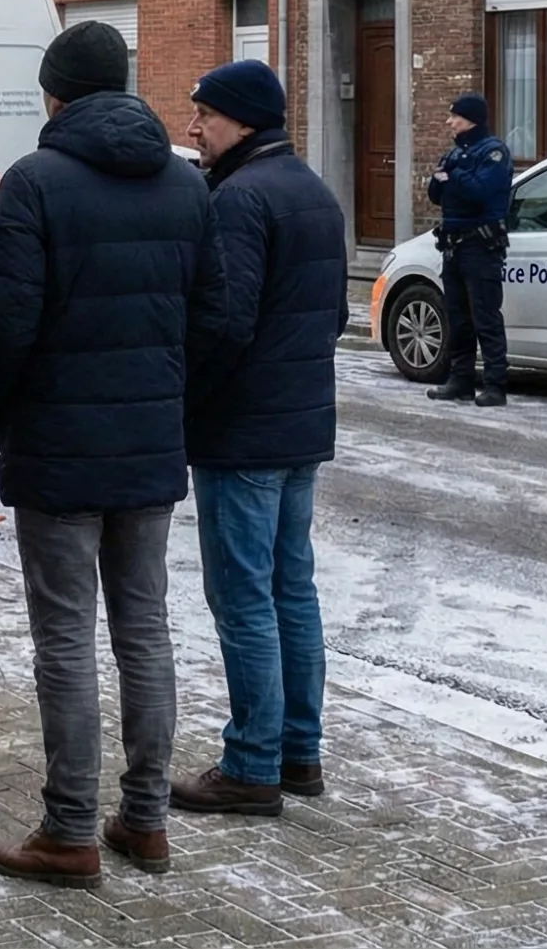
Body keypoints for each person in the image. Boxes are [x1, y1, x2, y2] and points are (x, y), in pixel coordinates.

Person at [0, 21, 225, 883]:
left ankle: (71, 827)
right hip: (149, 445)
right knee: (145, 631)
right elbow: (214, 317)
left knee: (66, 638)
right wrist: (168, 397)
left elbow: (5, 324)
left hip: (58, 448)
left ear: (55, 94)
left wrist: (4, 412)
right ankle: (146, 820)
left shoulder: (34, 182)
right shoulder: (185, 185)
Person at [176, 61, 347, 817]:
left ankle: (251, 763)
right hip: (300, 422)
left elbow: (224, 322)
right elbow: (332, 315)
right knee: (291, 590)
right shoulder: (312, 189)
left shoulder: (240, 198)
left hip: (242, 432)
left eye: (205, 116)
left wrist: (189, 397)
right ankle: (298, 751)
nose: (193, 129)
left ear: (243, 121)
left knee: (244, 597)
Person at [428, 92, 513, 408]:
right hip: (453, 245)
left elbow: (481, 192)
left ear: (471, 120)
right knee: (458, 318)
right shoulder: (455, 154)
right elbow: (436, 194)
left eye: (455, 117)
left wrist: (453, 175)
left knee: (486, 317)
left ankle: (495, 385)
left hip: (480, 246)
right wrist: (443, 177)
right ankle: (460, 380)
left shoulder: (493, 152)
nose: (449, 122)